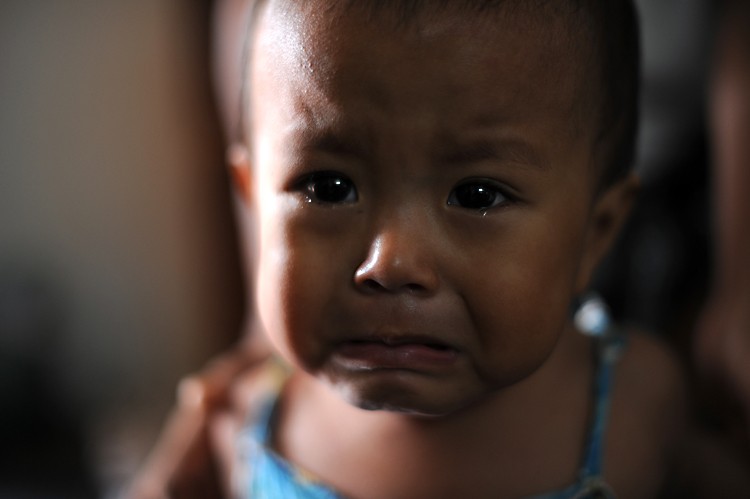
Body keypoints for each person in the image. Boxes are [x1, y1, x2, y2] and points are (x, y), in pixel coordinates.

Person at [131, 0, 688, 497]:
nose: (392, 263)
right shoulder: (245, 418)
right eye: (329, 188)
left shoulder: (635, 406)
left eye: (476, 196)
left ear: (597, 231)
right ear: (255, 206)